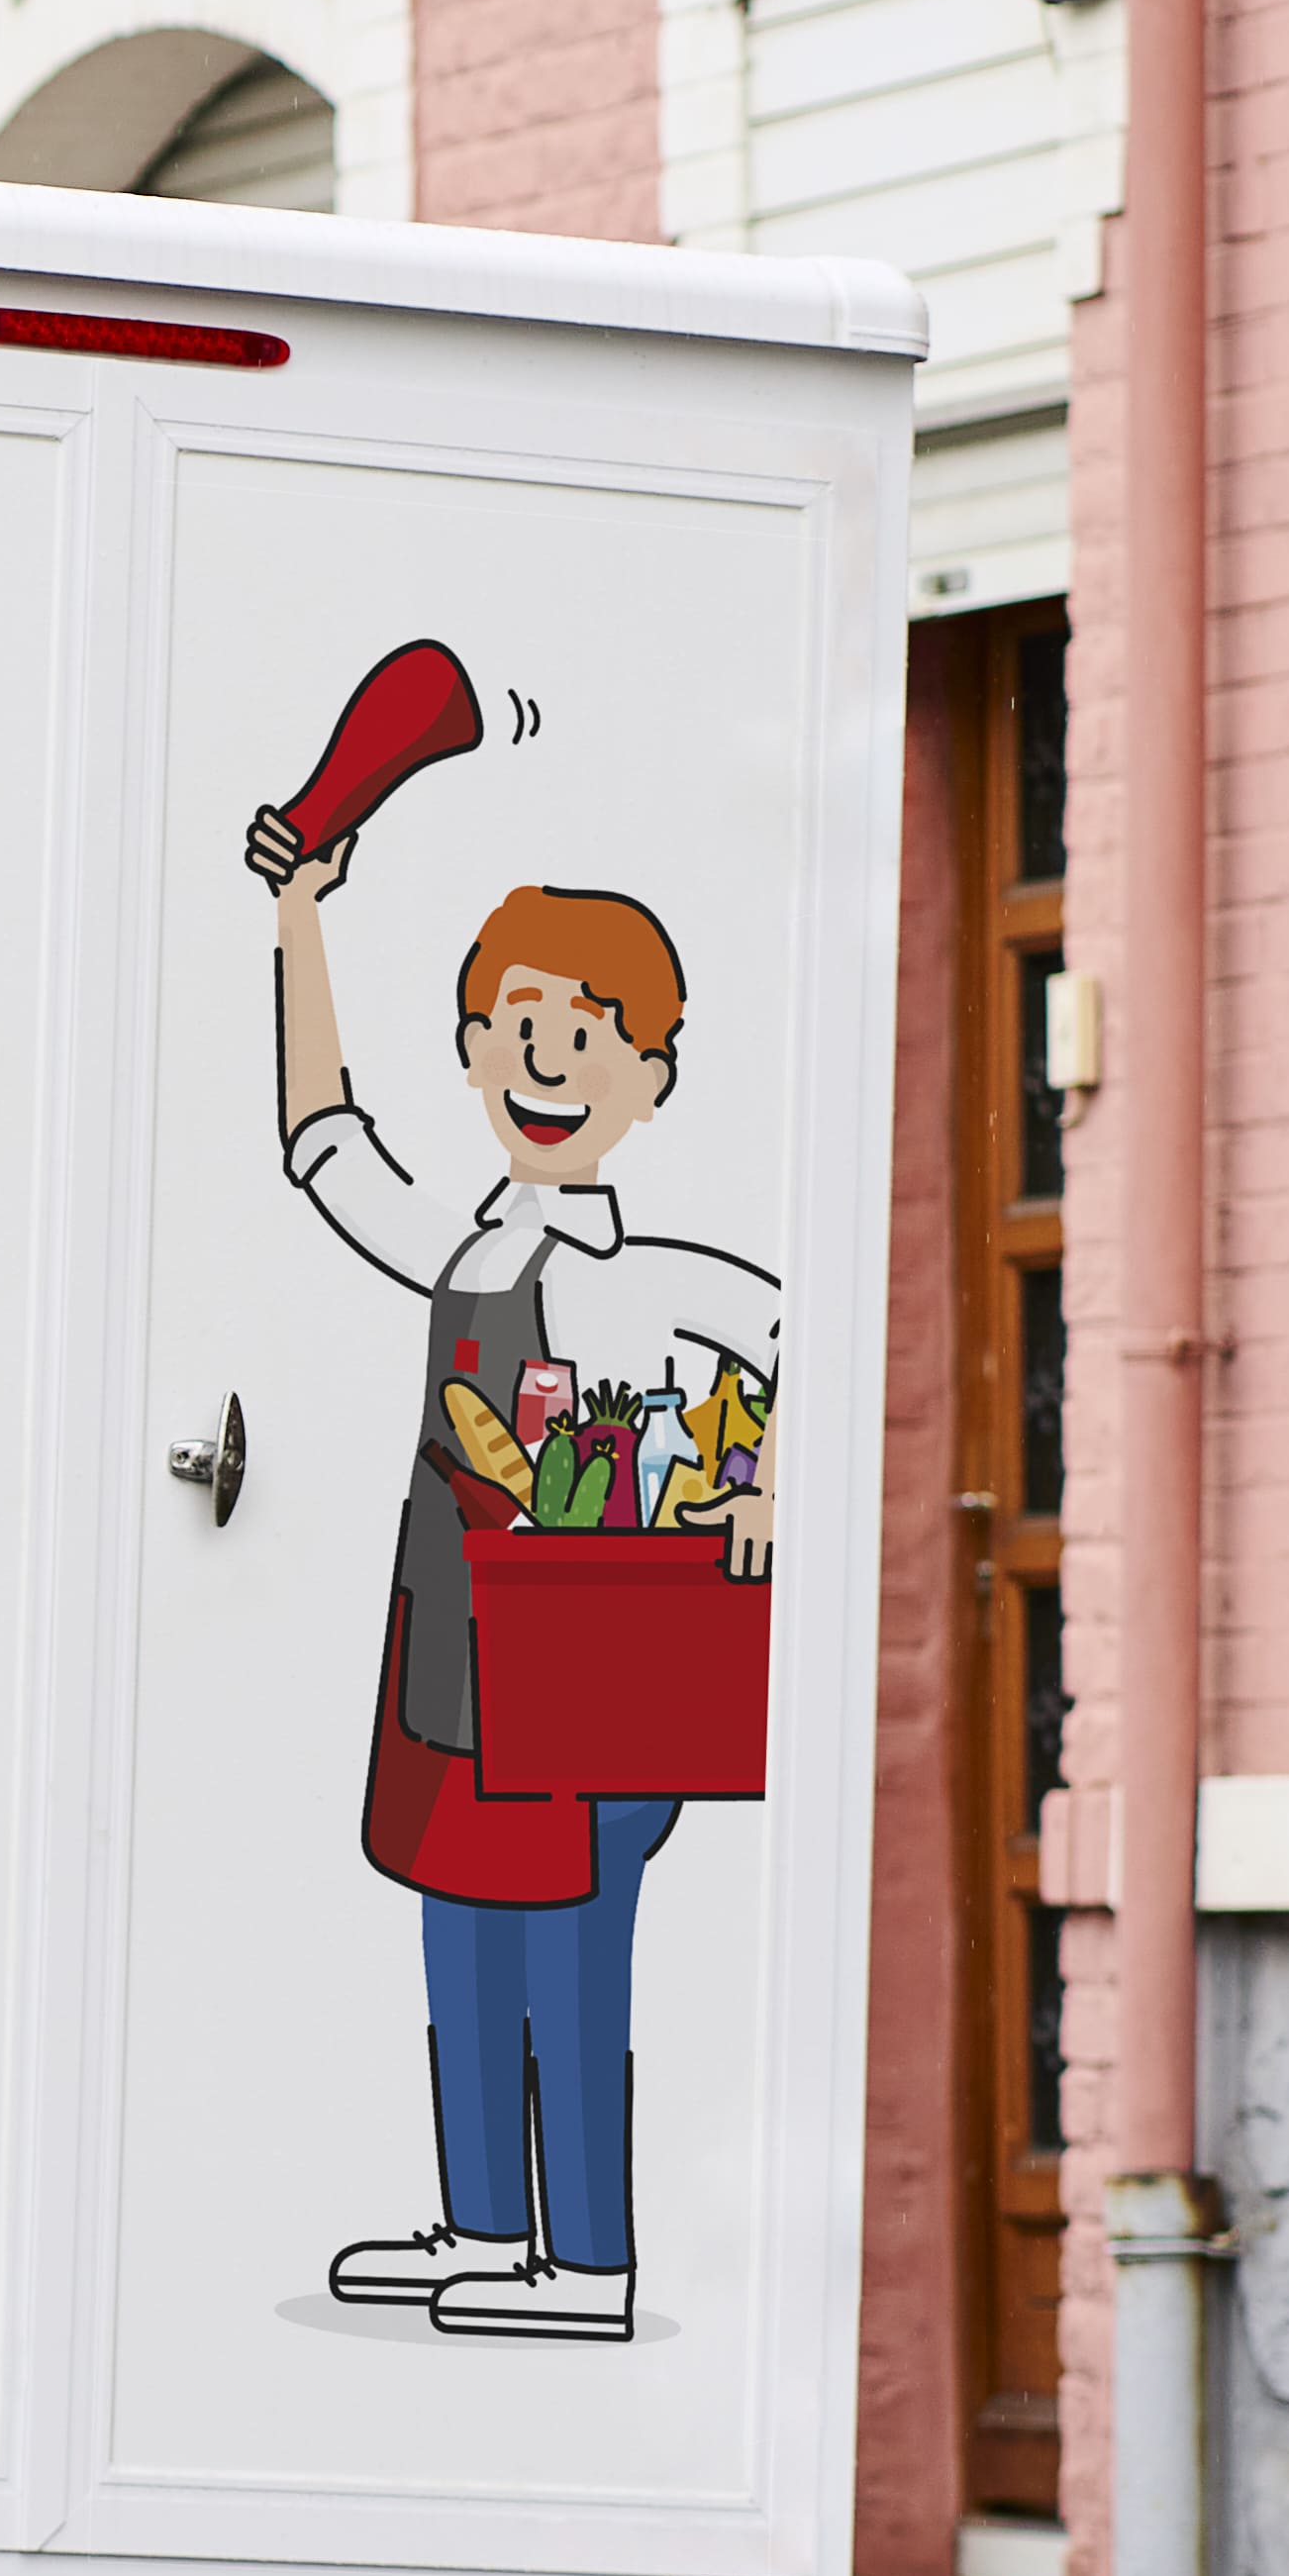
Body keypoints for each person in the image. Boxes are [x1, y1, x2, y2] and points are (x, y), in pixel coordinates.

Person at [233, 805, 783, 2347]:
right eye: (522, 1026)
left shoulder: (642, 1275)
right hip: (454, 1656)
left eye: (593, 1038)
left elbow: (798, 1346)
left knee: (569, 1952)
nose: (550, 1063)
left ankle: (589, 2258)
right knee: (457, 1929)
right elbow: (322, 1145)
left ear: (649, 1085)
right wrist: (303, 922)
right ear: (475, 1050)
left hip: (588, 1675)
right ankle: (484, 2221)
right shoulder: (464, 1247)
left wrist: (760, 1489)